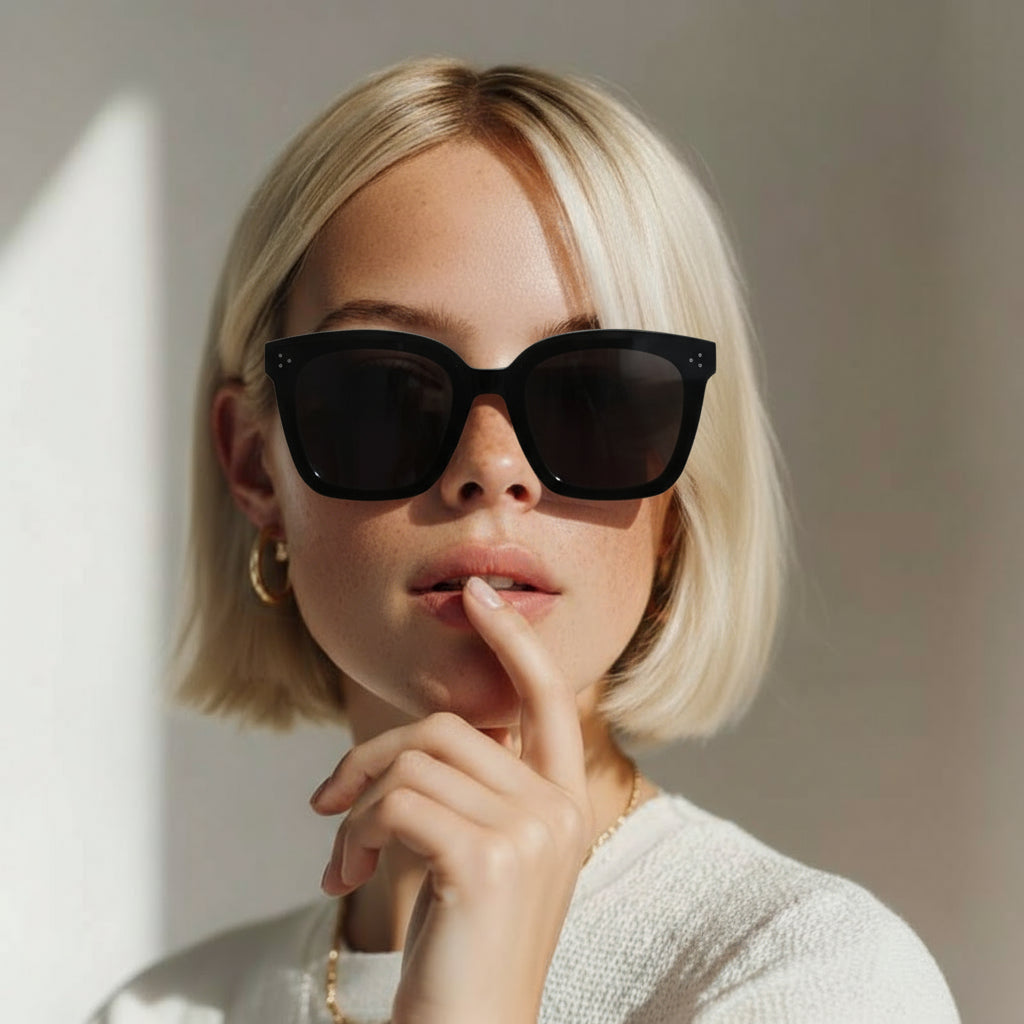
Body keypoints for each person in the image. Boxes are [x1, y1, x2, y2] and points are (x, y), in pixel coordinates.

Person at [89, 57, 960, 1023]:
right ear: (256, 467)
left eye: (595, 396)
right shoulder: (160, 1010)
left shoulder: (816, 978)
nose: (493, 465)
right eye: (387, 387)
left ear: (679, 494)